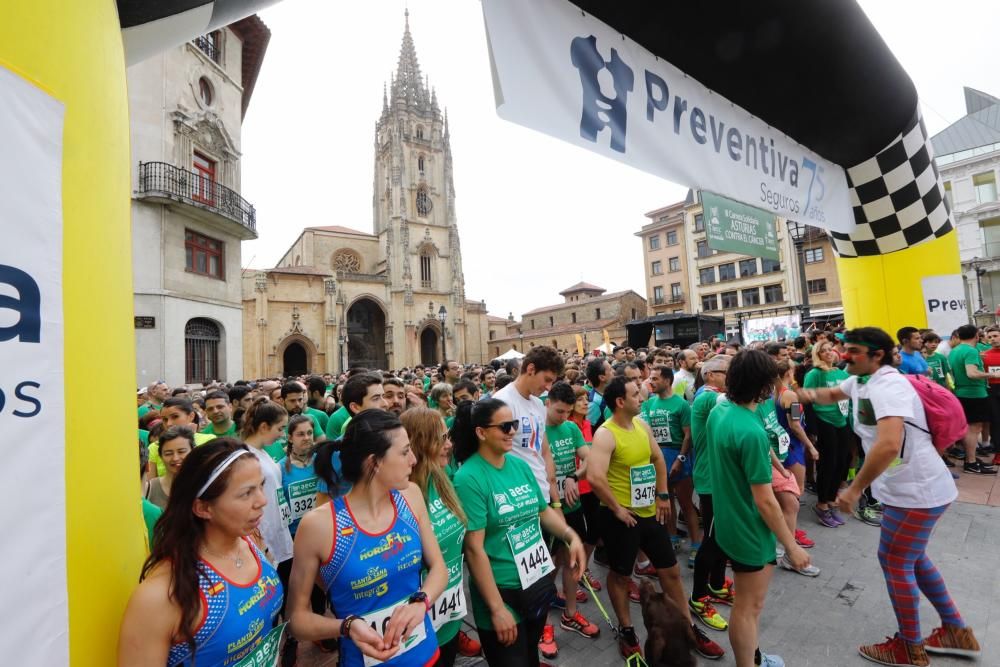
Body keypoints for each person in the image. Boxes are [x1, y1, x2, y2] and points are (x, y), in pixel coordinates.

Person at [800, 327, 981, 665]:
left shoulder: (889, 386)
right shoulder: (861, 381)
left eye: (852, 350)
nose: (844, 355)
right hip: (906, 490)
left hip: (917, 490)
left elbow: (887, 445)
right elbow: (830, 394)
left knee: (895, 561)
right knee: (912, 557)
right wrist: (796, 395)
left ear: (877, 356)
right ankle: (956, 629)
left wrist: (853, 490)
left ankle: (909, 648)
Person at [286, 409, 448, 666]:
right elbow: (297, 619)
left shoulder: (411, 496)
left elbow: (439, 567)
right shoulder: (319, 525)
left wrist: (421, 602)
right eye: (405, 452)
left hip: (426, 655)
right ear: (375, 462)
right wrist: (346, 626)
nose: (414, 460)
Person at [587, 377, 724, 660]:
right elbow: (595, 476)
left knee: (670, 571)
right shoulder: (605, 433)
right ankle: (626, 630)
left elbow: (658, 459)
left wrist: (663, 494)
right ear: (620, 402)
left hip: (649, 512)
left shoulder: (641, 425)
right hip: (620, 519)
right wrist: (616, 508)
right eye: (636, 394)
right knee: (621, 576)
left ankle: (686, 627)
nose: (643, 396)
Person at [118, 439, 283, 665]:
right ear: (203, 508)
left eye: (261, 486)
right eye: (246, 493)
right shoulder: (161, 596)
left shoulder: (250, 538)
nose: (262, 501)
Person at [449, 399, 585, 667]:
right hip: (502, 590)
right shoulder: (468, 478)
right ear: (481, 432)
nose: (513, 431)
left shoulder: (519, 465)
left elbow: (542, 511)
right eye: (504, 426)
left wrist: (571, 536)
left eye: (514, 425)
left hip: (535, 580)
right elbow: (474, 549)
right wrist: (497, 609)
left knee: (529, 654)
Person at [709, 350, 810, 667]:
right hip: (749, 531)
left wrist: (777, 463)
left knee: (745, 605)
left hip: (728, 521)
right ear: (763, 386)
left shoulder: (721, 411)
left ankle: (751, 654)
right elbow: (765, 500)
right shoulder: (750, 431)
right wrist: (791, 546)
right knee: (748, 608)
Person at [491, 345, 563, 659]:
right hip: (514, 508)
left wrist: (554, 498)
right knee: (516, 580)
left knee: (541, 573)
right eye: (546, 379)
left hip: (541, 502)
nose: (549, 387)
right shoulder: (501, 403)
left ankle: (534, 635)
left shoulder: (537, 404)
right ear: (529, 368)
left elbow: (542, 451)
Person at [401, 407, 483, 665]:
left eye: (448, 436)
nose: (449, 444)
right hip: (416, 619)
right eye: (441, 438)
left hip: (449, 610)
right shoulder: (402, 495)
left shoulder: (442, 477)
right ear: (420, 442)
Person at [542, 381, 600, 641]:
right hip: (546, 510)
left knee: (570, 561)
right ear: (547, 403)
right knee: (545, 567)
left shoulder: (571, 428)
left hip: (571, 505)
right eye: (559, 412)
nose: (564, 417)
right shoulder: (537, 431)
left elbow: (589, 459)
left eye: (567, 412)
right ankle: (542, 623)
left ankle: (570, 613)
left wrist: (573, 476)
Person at [688, 355, 736, 620]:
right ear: (710, 375)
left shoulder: (712, 394)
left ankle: (716, 585)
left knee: (720, 536)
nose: (732, 376)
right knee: (713, 539)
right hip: (711, 479)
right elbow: (738, 401)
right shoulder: (708, 396)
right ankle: (697, 597)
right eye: (728, 371)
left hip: (718, 478)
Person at [639, 365, 700, 570]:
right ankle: (672, 537)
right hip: (657, 458)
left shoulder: (681, 405)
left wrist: (680, 459)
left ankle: (696, 544)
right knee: (666, 501)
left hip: (677, 457)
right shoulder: (648, 404)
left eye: (655, 379)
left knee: (686, 503)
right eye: (650, 379)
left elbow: (688, 435)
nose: (651, 382)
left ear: (667, 380)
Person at [803, 340, 853, 526]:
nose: (828, 353)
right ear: (818, 354)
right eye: (823, 351)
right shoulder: (815, 374)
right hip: (824, 421)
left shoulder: (841, 373)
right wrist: (812, 429)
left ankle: (831, 499)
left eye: (829, 350)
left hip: (842, 420)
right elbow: (807, 401)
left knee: (842, 461)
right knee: (828, 463)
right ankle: (822, 504)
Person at [773, 361, 818, 548]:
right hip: (793, 446)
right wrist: (811, 446)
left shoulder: (771, 393)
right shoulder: (789, 395)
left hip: (782, 445)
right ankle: (790, 532)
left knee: (783, 494)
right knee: (795, 492)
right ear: (789, 372)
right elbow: (795, 425)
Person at [949, 324, 997, 474]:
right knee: (974, 428)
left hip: (962, 392)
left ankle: (971, 459)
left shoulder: (955, 350)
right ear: (976, 335)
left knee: (971, 427)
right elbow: (972, 373)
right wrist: (992, 375)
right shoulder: (970, 351)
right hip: (974, 393)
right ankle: (971, 462)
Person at [144, 426, 195, 511]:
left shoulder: (204, 486)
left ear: (193, 452)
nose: (175, 458)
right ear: (160, 456)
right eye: (168, 453)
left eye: (181, 451)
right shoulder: (149, 488)